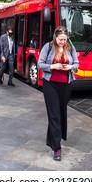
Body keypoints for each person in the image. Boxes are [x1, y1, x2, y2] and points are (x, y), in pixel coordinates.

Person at [37, 26, 79, 161]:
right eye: (60, 39)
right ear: (55, 37)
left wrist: (70, 67)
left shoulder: (70, 47)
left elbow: (77, 64)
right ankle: (57, 148)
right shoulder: (47, 47)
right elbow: (39, 64)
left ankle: (52, 140)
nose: (62, 42)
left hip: (66, 85)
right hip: (50, 84)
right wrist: (53, 66)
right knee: (54, 115)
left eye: (65, 39)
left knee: (61, 113)